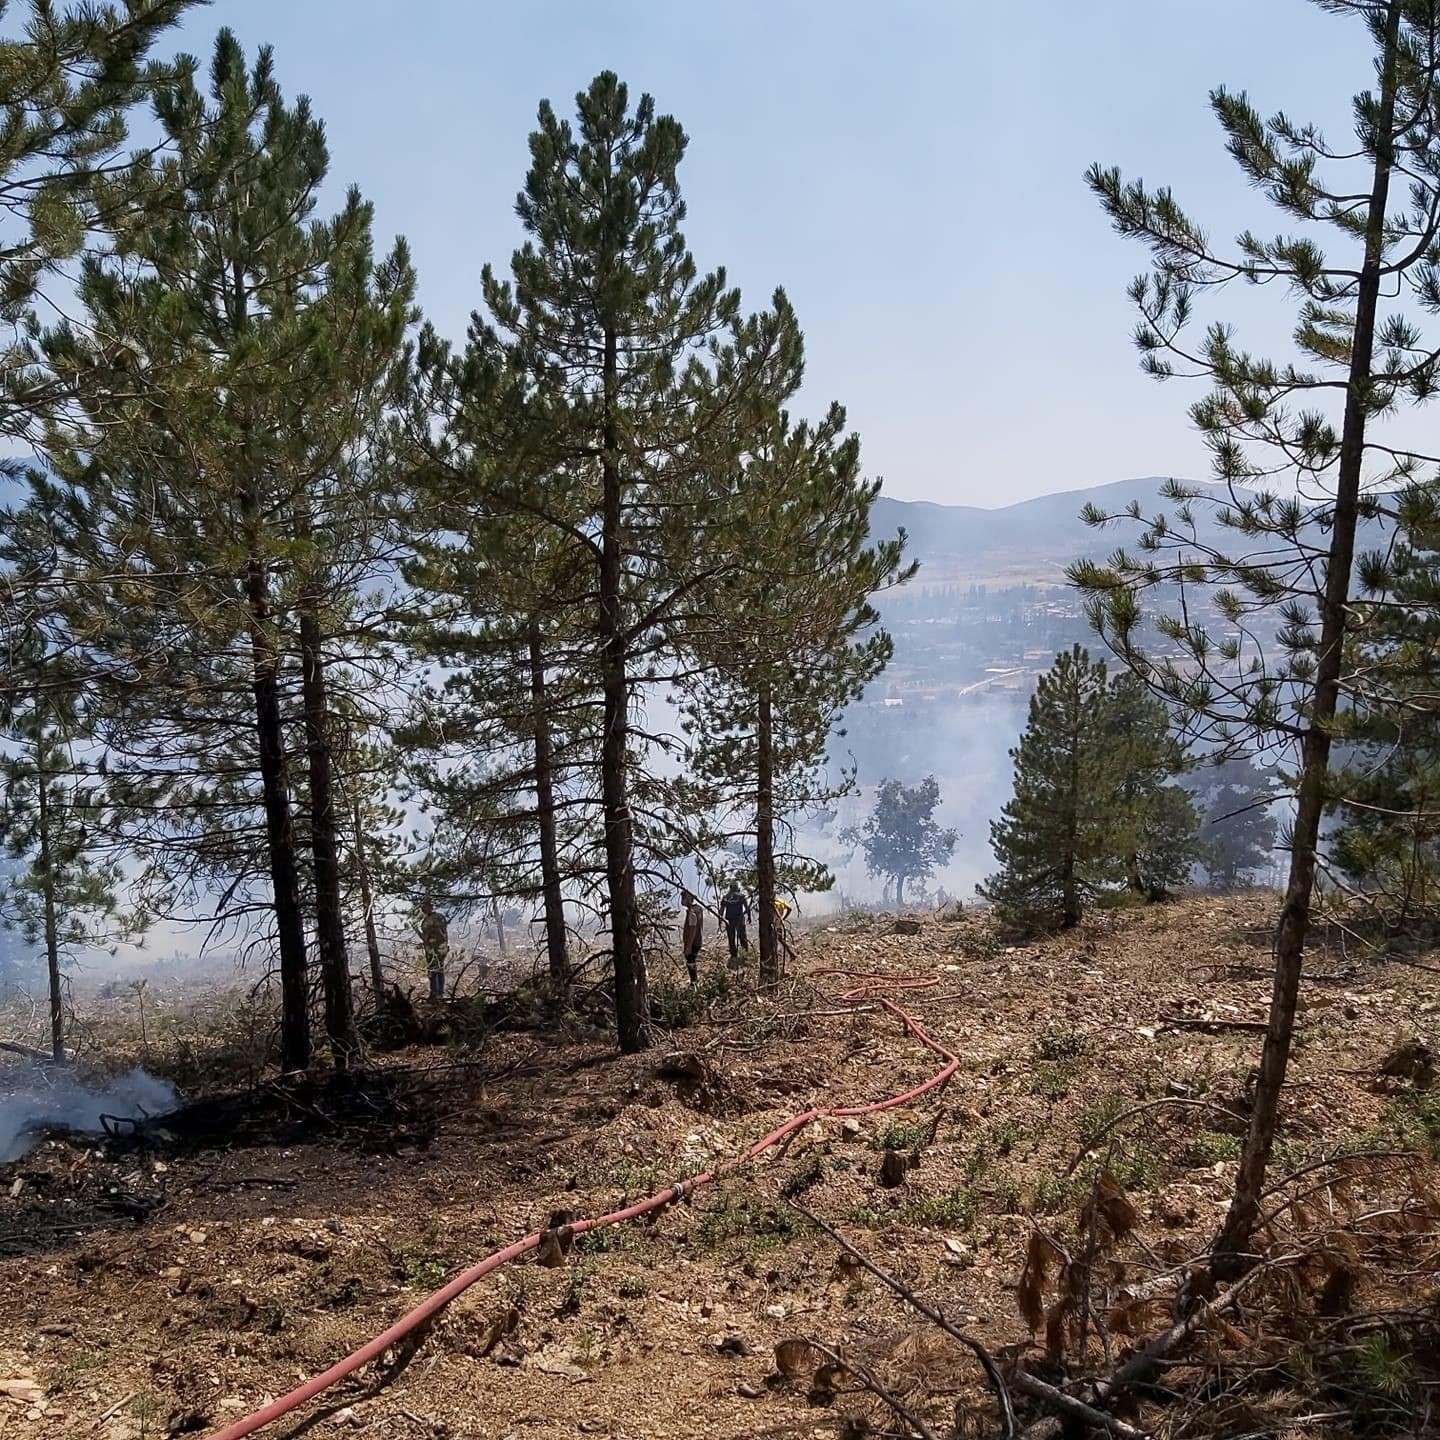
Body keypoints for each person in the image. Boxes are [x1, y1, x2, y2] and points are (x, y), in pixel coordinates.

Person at [418, 897, 449, 1001]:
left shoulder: (427, 921)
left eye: (424, 906)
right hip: (442, 948)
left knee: (433, 971)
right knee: (439, 970)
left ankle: (434, 994)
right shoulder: (440, 917)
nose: (422, 908)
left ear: (429, 907)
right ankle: (440, 993)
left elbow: (426, 938)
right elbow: (444, 934)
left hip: (433, 950)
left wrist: (417, 931)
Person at [720, 882, 750, 968]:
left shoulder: (726, 897)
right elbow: (746, 907)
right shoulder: (741, 896)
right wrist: (749, 916)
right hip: (739, 919)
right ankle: (745, 955)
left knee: (731, 938)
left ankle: (734, 955)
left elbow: (721, 910)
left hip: (730, 920)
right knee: (742, 937)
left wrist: (720, 919)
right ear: (737, 887)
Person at [680, 889, 704, 987]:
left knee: (690, 961)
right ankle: (694, 981)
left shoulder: (692, 912)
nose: (682, 900)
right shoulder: (698, 909)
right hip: (696, 941)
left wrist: (689, 946)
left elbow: (693, 929)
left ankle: (694, 983)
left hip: (693, 942)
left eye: (683, 897)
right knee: (691, 961)